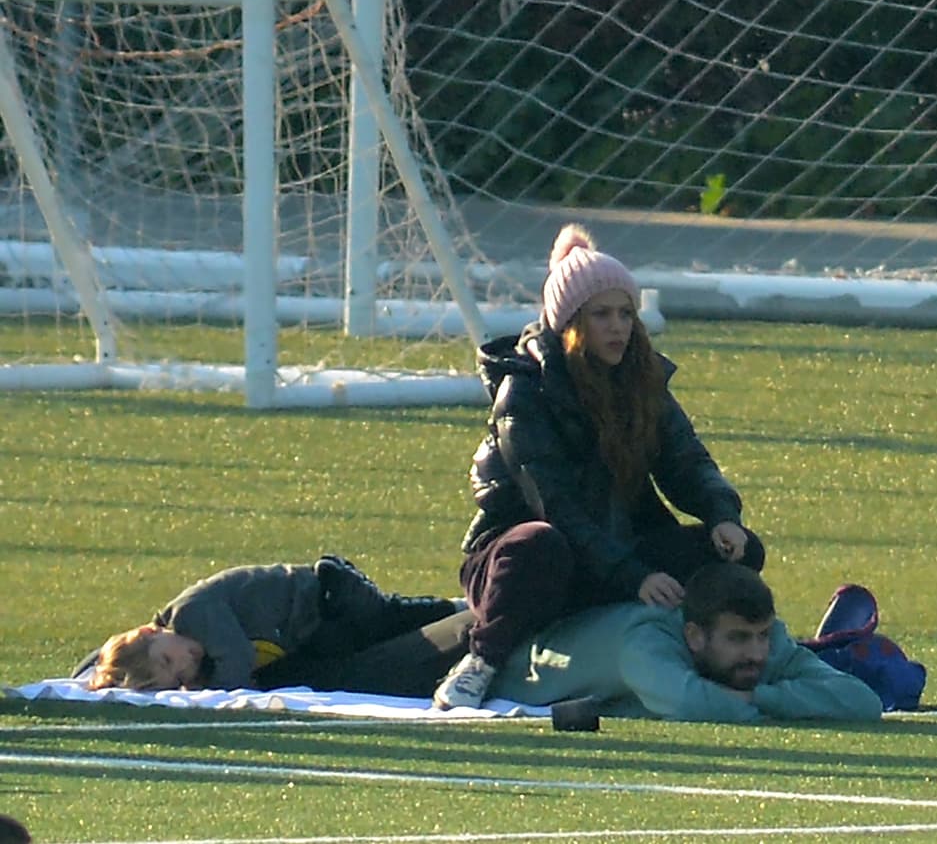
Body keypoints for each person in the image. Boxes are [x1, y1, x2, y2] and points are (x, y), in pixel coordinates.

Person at [433, 224, 766, 709]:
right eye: (602, 315)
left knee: (742, 551)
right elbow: (557, 507)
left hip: (617, 549)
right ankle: (481, 662)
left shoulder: (642, 382)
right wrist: (635, 577)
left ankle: (715, 655)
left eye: (626, 314)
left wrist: (722, 514)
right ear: (570, 324)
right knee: (539, 544)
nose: (618, 327)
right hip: (537, 558)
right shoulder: (525, 392)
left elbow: (687, 461)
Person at [488, 561, 883, 723]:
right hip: (498, 654)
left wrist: (762, 698)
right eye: (739, 639)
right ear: (694, 636)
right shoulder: (644, 641)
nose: (756, 654)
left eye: (762, 636)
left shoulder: (769, 644)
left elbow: (862, 702)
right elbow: (688, 702)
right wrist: (783, 701)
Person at [83, 556, 461, 691]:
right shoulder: (181, 641)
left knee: (397, 620)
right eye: (178, 676)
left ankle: (464, 606)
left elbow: (237, 658)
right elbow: (96, 659)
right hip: (317, 629)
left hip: (331, 596)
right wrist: (93, 677)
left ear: (152, 631)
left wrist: (202, 691)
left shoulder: (190, 615)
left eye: (169, 659)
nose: (186, 665)